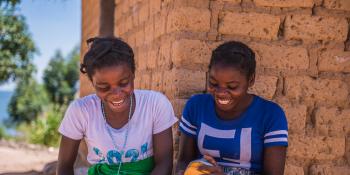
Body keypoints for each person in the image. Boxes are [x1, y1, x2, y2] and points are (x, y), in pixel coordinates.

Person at [57, 37, 178, 175]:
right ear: (92, 83)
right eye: (104, 87)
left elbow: (164, 164)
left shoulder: (155, 104)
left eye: (123, 83)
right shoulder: (81, 111)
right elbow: (64, 167)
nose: (116, 94)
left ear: (133, 75)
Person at [176, 41, 288, 175]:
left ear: (251, 80)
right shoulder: (196, 106)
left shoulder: (270, 115)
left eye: (232, 86)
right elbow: (183, 160)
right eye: (213, 83)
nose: (220, 92)